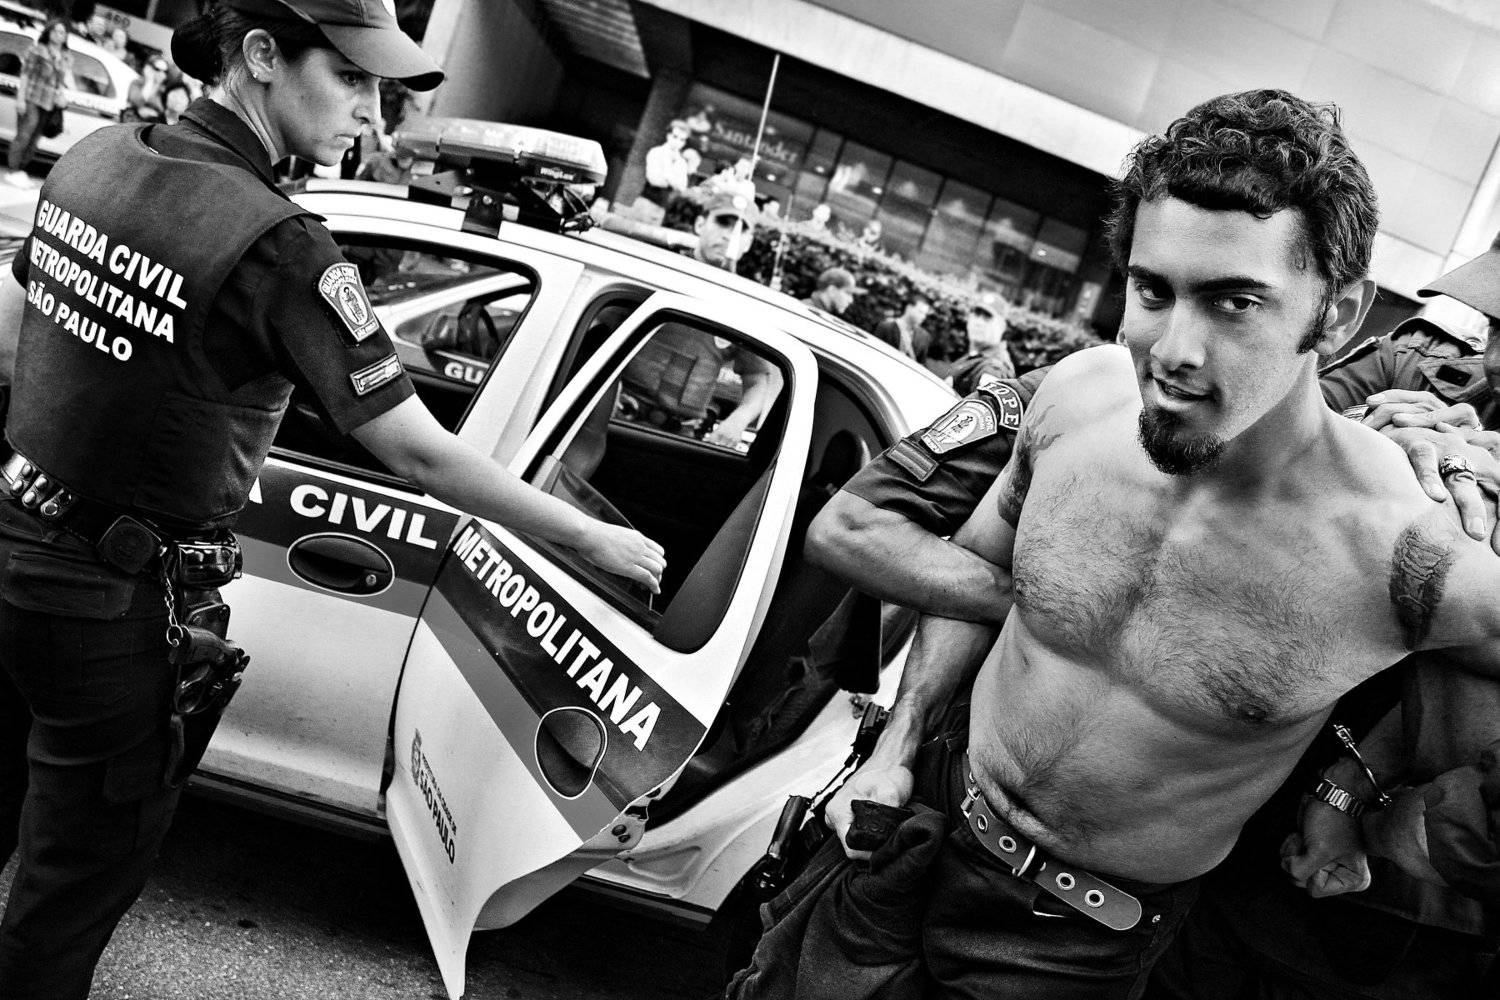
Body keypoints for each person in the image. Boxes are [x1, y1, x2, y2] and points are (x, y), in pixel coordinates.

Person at [770, 88, 1500, 996]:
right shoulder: (1079, 398)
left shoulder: (1415, 555)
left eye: (1235, 302)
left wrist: (1356, 799)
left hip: (1074, 947)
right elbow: (981, 568)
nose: (1173, 351)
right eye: (1153, 290)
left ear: (1339, 315)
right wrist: (897, 747)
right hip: (904, 835)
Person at [0, 2, 666, 997]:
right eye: (351, 78)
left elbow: (12, 336)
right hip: (111, 610)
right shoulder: (280, 244)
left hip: (13, 538)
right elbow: (418, 454)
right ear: (262, 55)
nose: (371, 111)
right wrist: (588, 537)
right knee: (68, 892)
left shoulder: (99, 156)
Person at [618, 191, 778, 448]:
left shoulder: (742, 306)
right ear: (700, 224)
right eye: (723, 223)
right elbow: (601, 329)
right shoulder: (662, 272)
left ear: (748, 243)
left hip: (681, 441)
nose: (729, 235)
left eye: (741, 230)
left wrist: (738, 421)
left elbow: (758, 379)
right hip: (619, 423)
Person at [5, 19, 72, 189]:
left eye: (62, 32)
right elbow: (25, 74)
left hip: (49, 103)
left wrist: (61, 96)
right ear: (48, 32)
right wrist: (20, 99)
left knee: (35, 138)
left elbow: (61, 82)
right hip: (31, 98)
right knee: (24, 134)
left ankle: (20, 169)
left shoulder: (65, 56)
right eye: (55, 31)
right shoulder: (37, 50)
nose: (59, 35)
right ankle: (12, 169)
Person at [946, 292, 1015, 393]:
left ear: (1002, 327)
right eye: (976, 314)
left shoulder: (994, 369)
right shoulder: (975, 356)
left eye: (987, 317)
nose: (978, 322)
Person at [641, 119, 691, 207]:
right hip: (646, 201)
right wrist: (674, 181)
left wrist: (667, 176)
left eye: (682, 140)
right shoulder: (656, 152)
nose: (677, 142)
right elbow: (654, 180)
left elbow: (682, 186)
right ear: (668, 135)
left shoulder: (682, 162)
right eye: (675, 137)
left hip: (665, 205)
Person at [874, 295, 931, 362]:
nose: (923, 317)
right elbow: (874, 353)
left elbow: (921, 363)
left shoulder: (924, 336)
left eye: (925, 314)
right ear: (909, 308)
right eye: (920, 312)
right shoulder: (886, 327)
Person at [122, 54, 170, 123]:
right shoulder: (136, 83)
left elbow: (166, 113)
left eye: (165, 71)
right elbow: (138, 102)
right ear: (148, 68)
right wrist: (149, 81)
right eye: (157, 69)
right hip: (133, 123)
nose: (161, 74)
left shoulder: (163, 91)